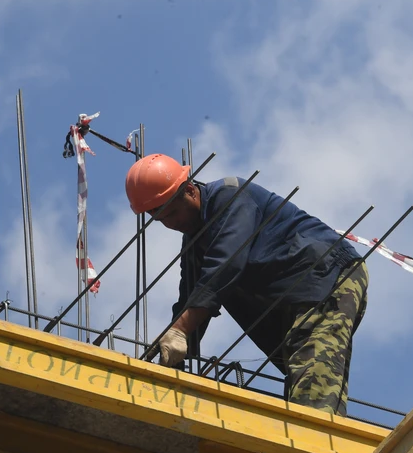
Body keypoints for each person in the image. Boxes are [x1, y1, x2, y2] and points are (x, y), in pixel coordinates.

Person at [125, 153, 369, 416]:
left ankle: (317, 443)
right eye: (162, 219)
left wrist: (181, 330)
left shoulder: (229, 196)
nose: (172, 223)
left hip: (325, 275)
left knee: (313, 378)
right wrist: (169, 357)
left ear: (191, 191)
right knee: (301, 378)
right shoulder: (195, 242)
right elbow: (191, 300)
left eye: (173, 212)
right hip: (288, 299)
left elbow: (226, 264)